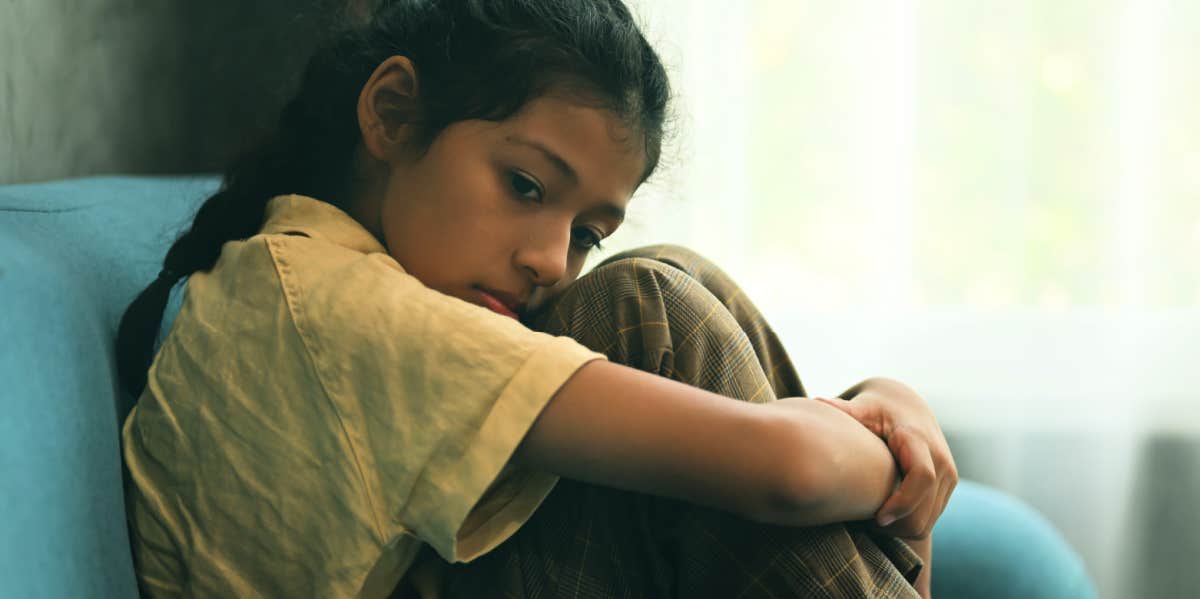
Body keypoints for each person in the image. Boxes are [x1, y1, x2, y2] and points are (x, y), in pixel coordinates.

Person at [116, 0, 957, 597]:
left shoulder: (308, 282)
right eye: (525, 184)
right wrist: (894, 442)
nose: (552, 260)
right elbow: (795, 470)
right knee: (643, 309)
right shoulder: (327, 304)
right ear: (393, 113)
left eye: (588, 231)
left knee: (668, 277)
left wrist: (884, 406)